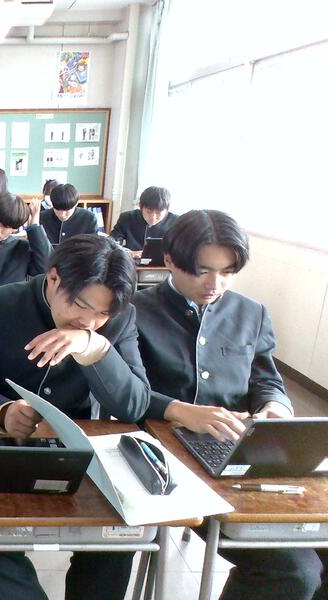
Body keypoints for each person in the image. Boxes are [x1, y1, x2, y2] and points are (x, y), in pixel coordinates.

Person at [133, 209, 327, 600]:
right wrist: (179, 410)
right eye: (202, 271)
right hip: (170, 460)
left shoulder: (250, 312)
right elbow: (127, 394)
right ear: (169, 259)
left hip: (243, 450)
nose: (215, 284)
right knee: (294, 573)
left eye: (227, 272)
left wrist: (274, 407)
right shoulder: (135, 311)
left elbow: (266, 379)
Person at [0, 234, 150, 600]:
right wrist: (2, 414)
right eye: (81, 305)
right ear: (54, 278)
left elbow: (134, 405)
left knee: (119, 538)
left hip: (80, 456)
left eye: (102, 314)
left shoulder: (118, 322)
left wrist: (95, 348)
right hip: (5, 450)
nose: (89, 321)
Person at [110, 185, 178, 256]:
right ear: (141, 207)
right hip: (131, 260)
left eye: (158, 213)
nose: (153, 217)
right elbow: (111, 243)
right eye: (149, 212)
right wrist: (128, 253)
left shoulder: (176, 222)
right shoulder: (127, 218)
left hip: (164, 262)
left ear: (167, 210)